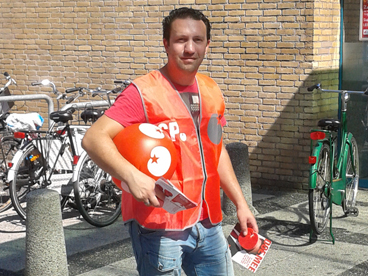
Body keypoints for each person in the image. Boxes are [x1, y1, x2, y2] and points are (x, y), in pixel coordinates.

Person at [82, 7, 258, 276]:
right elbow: (94, 138)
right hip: (159, 227)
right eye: (180, 40)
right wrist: (132, 176)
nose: (190, 48)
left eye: (197, 40)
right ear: (166, 44)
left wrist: (241, 203)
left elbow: (217, 149)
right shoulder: (142, 92)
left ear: (207, 45)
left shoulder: (211, 90)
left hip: (208, 222)